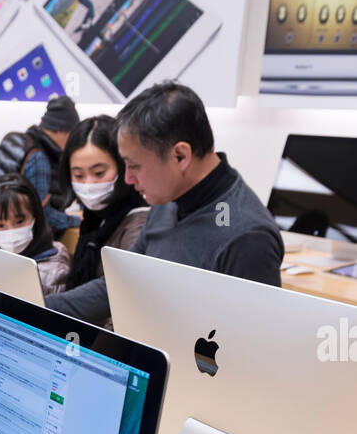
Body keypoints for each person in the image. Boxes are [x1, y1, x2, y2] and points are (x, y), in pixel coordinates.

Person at [45, 82, 285, 325]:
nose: (127, 178)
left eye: (134, 165)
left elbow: (253, 347)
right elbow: (123, 283)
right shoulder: (168, 198)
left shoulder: (247, 236)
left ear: (180, 156)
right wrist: (36, 304)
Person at [61, 115, 148, 290]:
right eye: (78, 175)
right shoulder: (93, 218)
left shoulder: (138, 225)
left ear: (122, 166)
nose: (88, 184)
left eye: (99, 173)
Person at [0, 95, 80, 234]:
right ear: (60, 130)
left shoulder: (14, 139)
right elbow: (42, 213)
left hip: (0, 227)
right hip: (24, 235)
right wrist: (76, 220)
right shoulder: (38, 157)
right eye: (71, 135)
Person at [0, 174, 71, 295]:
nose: (11, 232)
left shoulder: (52, 274)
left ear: (35, 217)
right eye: (0, 225)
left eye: (19, 222)